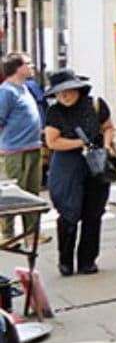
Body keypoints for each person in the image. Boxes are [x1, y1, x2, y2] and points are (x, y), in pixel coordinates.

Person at [42, 69, 114, 276]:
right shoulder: (54, 112)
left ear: (77, 89)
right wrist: (81, 142)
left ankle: (87, 261)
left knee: (94, 212)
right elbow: (52, 141)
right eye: (58, 93)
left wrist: (106, 147)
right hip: (67, 163)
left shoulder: (96, 105)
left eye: (67, 91)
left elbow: (108, 127)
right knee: (68, 212)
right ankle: (65, 261)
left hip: (96, 163)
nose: (63, 96)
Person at [0, 53, 45, 245]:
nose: (32, 66)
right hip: (14, 151)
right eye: (28, 63)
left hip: (33, 146)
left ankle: (32, 232)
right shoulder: (6, 91)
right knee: (11, 193)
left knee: (32, 192)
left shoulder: (26, 88)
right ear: (17, 68)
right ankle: (7, 234)